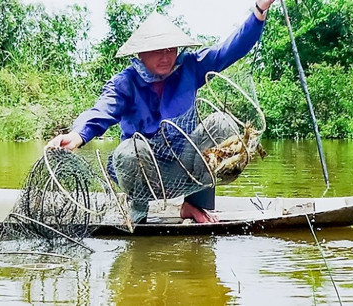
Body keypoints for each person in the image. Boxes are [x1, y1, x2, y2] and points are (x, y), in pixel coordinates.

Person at [47, 0, 275, 223]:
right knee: (128, 151)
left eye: (170, 49)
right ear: (140, 54)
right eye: (157, 50)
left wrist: (259, 10)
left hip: (183, 160)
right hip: (144, 168)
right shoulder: (125, 82)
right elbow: (102, 110)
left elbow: (229, 49)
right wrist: (77, 135)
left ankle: (194, 204)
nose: (166, 56)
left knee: (221, 124)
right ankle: (138, 210)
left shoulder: (190, 66)